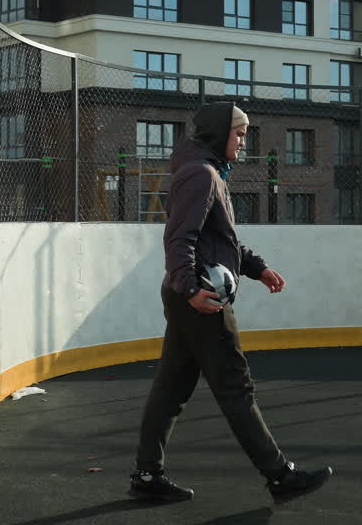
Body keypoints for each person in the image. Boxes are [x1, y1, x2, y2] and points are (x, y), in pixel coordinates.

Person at [129, 101, 332, 504]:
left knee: (171, 389)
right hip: (200, 299)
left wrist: (257, 268)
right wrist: (190, 289)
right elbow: (178, 240)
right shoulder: (202, 175)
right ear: (218, 133)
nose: (243, 141)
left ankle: (148, 476)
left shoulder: (207, 172)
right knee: (236, 388)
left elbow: (221, 239)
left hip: (189, 294)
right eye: (239, 133)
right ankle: (279, 476)